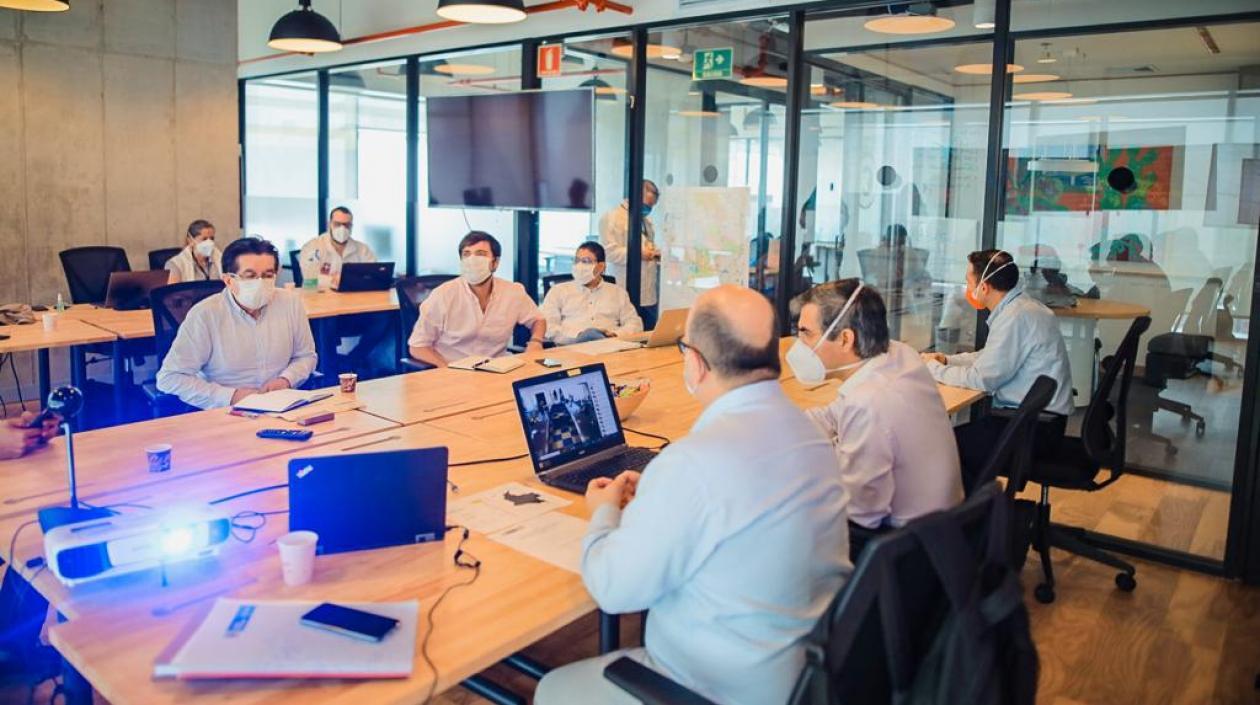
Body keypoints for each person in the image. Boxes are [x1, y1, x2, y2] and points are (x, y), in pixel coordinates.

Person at [534, 285, 851, 705]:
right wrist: (663, 496)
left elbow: (612, 589)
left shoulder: (693, 462)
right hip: (804, 669)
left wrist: (604, 513)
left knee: (552, 688)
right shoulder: (810, 433)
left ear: (696, 363)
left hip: (712, 686)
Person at [790, 279, 962, 557]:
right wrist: (783, 427)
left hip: (907, 548)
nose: (799, 346)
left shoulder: (869, 401)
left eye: (806, 334)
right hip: (944, 529)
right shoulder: (899, 355)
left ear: (845, 339)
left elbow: (861, 513)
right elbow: (834, 414)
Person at [922, 249, 1073, 491]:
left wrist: (932, 369)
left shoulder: (1015, 317)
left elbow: (983, 379)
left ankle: (976, 510)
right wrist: (947, 361)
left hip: (1032, 431)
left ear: (984, 287)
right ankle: (980, 505)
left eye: (969, 281)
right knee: (950, 442)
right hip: (1037, 422)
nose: (967, 288)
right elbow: (989, 356)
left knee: (944, 448)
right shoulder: (1022, 308)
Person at [157, 237, 317, 409]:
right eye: (250, 276)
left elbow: (306, 356)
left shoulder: (290, 303)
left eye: (267, 275)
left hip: (283, 404)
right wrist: (232, 396)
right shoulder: (205, 314)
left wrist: (286, 380)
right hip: (225, 409)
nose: (260, 282)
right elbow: (170, 378)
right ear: (229, 280)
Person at [407, 231, 544, 368]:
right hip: (454, 370)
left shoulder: (512, 292)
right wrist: (445, 368)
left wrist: (536, 342)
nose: (472, 260)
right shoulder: (443, 295)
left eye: (480, 254)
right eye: (466, 254)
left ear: (495, 263)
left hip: (498, 369)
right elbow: (417, 346)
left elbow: (538, 319)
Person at [539, 242, 642, 345]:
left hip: (610, 346)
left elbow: (635, 324)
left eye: (586, 261)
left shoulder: (618, 292)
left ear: (601, 267)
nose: (579, 266)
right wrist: (578, 336)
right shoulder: (558, 291)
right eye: (576, 261)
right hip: (571, 347)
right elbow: (548, 326)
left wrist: (614, 334)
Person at [599, 180, 661, 328]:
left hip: (648, 294)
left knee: (649, 332)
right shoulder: (612, 218)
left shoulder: (646, 221)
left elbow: (647, 245)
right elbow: (609, 252)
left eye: (651, 206)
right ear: (635, 196)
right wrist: (638, 254)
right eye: (647, 205)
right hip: (625, 287)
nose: (648, 209)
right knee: (628, 332)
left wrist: (656, 253)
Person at [298, 206, 377, 285]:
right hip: (322, 292)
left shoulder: (363, 250)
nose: (342, 229)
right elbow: (310, 279)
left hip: (353, 292)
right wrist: (334, 280)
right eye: (337, 224)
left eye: (346, 225)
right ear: (329, 224)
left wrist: (342, 279)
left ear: (351, 227)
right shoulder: (313, 247)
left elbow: (373, 276)